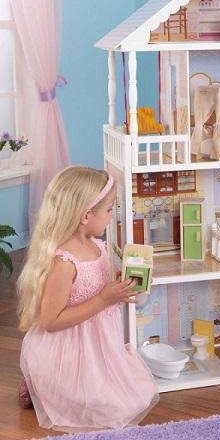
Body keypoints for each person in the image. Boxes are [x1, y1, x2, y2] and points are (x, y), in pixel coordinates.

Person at [17, 166, 159, 431]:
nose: (111, 216)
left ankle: (42, 389)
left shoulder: (97, 245)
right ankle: (40, 385)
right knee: (110, 410)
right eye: (109, 210)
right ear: (86, 215)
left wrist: (119, 285)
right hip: (70, 351)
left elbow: (98, 286)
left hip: (100, 345)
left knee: (132, 395)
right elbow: (51, 321)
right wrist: (104, 299)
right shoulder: (63, 262)